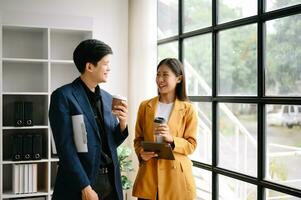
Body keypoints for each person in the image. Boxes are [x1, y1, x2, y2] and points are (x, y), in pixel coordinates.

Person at [49, 39, 128, 200]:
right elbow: (66, 148)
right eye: (105, 63)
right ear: (89, 66)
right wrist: (85, 187)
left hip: (111, 181)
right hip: (81, 183)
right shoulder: (63, 96)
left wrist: (123, 123)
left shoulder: (107, 98)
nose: (109, 68)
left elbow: (110, 143)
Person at [132, 58, 198, 200]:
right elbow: (138, 140)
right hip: (149, 178)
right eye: (158, 74)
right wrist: (141, 153)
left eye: (165, 75)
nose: (160, 79)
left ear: (179, 78)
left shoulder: (188, 109)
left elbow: (192, 145)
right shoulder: (145, 106)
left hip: (176, 180)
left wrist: (172, 139)